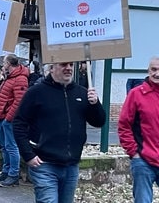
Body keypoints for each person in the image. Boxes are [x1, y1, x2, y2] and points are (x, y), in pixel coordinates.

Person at [13, 62, 106, 203]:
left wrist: (95, 104)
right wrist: (28, 155)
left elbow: (98, 122)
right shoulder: (36, 92)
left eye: (70, 65)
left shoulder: (81, 92)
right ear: (51, 68)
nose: (68, 68)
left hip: (71, 165)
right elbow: (19, 123)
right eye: (63, 64)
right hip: (44, 164)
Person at [118, 56, 159, 203]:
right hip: (143, 160)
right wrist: (134, 153)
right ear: (148, 71)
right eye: (154, 69)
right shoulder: (136, 94)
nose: (157, 74)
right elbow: (124, 125)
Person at [0, 53, 29, 187]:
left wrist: (9, 118)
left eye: (4, 62)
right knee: (4, 145)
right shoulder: (10, 77)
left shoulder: (20, 78)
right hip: (3, 117)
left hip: (8, 118)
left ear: (9, 63)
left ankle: (13, 174)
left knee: (11, 146)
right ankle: (6, 170)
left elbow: (19, 101)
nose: (3, 64)